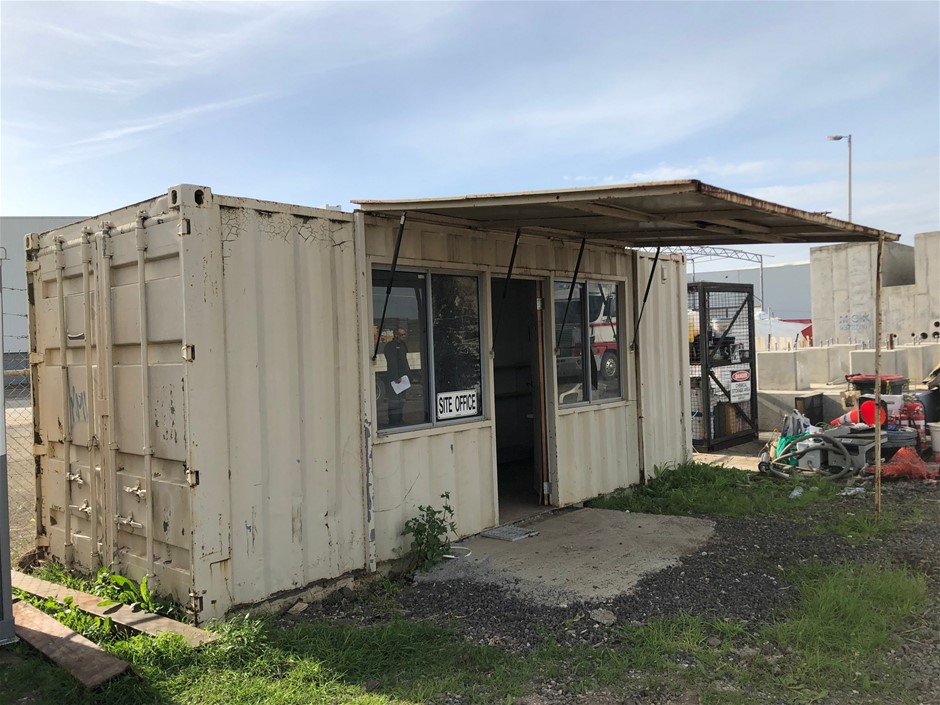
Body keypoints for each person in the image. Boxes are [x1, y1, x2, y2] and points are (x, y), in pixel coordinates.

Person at [384, 327, 411, 425]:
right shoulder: (390, 346)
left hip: (403, 377)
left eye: (405, 334)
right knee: (394, 399)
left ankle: (399, 418)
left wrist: (408, 375)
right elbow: (392, 363)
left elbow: (404, 361)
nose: (404, 336)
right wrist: (396, 376)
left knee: (402, 399)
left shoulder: (403, 345)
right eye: (402, 335)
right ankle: (393, 420)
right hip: (395, 377)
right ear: (396, 335)